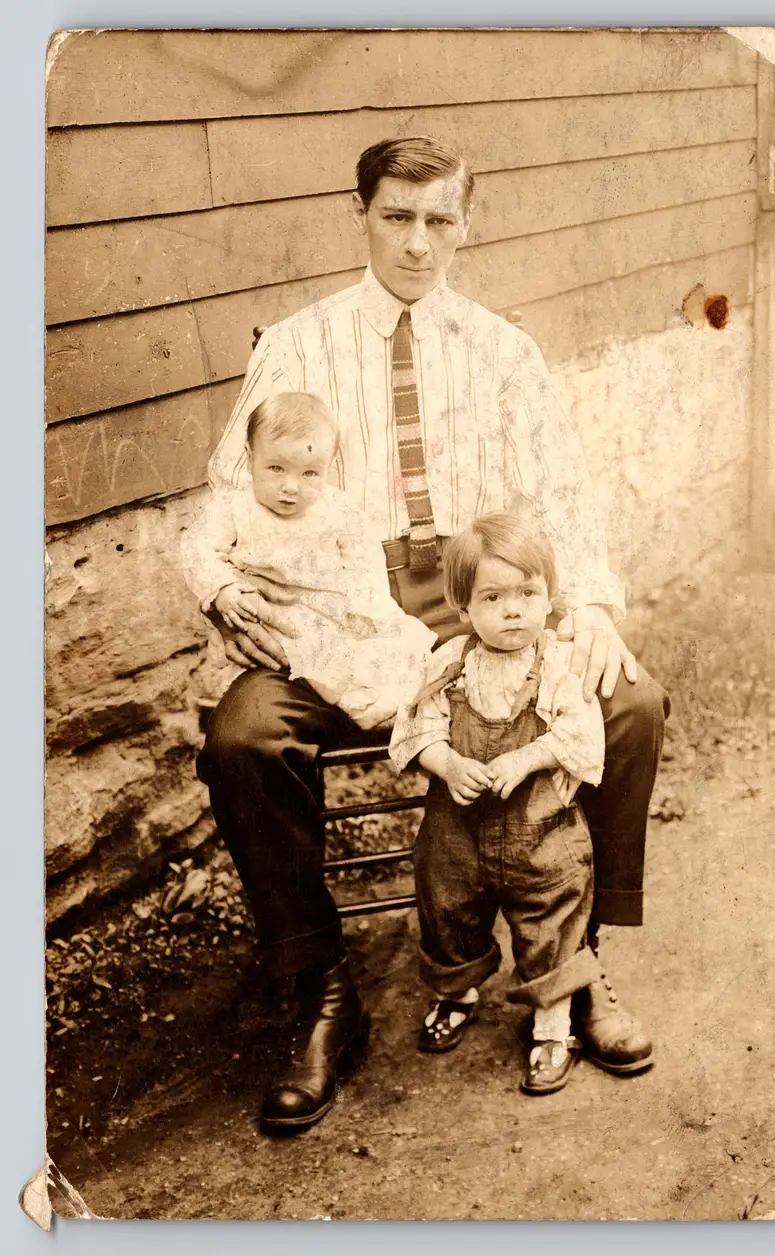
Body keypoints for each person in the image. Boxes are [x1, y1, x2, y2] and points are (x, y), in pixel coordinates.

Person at [197, 136, 669, 1134]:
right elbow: (233, 491)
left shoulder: (503, 350)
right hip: (340, 606)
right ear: (360, 213)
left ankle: (579, 969)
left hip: (482, 598)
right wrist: (224, 590)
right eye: (395, 218)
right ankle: (323, 993)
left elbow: (562, 497)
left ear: (467, 222)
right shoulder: (295, 343)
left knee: (628, 702)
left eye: (439, 220)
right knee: (243, 735)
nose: (417, 244)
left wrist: (585, 605)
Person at [390, 514, 604, 1095]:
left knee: (549, 917)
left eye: (527, 594)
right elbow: (413, 728)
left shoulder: (558, 664)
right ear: (462, 608)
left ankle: (554, 1022)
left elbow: (583, 735)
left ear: (550, 598)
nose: (513, 611)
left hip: (539, 828)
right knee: (448, 908)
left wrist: (526, 758)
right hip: (457, 830)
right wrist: (446, 762)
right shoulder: (451, 662)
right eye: (492, 597)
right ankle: (457, 994)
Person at [180, 391, 436, 729]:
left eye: (310, 474)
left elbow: (364, 558)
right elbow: (197, 547)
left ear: (329, 466)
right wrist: (223, 587)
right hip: (280, 613)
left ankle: (405, 700)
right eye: (276, 468)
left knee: (395, 643)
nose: (291, 487)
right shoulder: (234, 507)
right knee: (314, 651)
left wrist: (369, 608)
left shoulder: (338, 509)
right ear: (249, 456)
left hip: (337, 605)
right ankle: (360, 708)